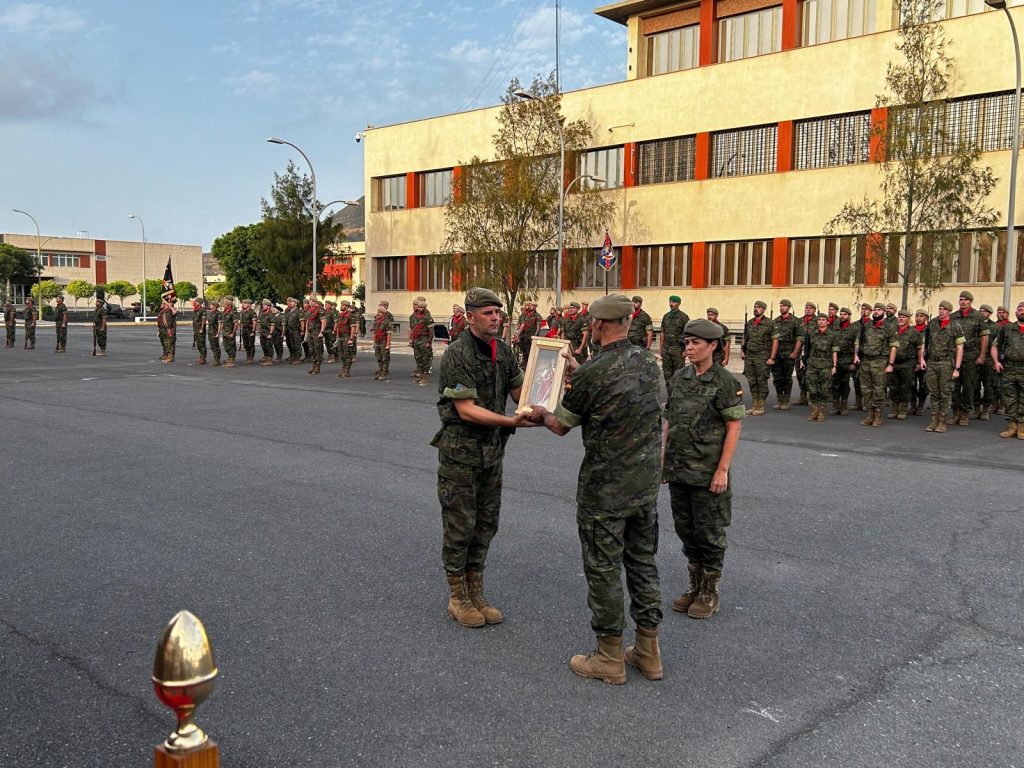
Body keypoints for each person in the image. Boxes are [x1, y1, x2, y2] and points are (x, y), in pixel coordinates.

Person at [532, 294, 664, 685]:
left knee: (604, 568)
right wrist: (581, 369)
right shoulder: (648, 363)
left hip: (605, 489)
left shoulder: (595, 372)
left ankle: (609, 656)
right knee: (643, 564)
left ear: (597, 325)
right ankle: (648, 651)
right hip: (644, 487)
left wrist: (539, 411)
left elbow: (561, 424)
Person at [431, 287, 533, 630]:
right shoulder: (458, 354)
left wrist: (544, 393)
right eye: (488, 313)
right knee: (461, 524)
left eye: (497, 313)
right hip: (461, 453)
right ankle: (457, 595)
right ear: (470, 316)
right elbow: (467, 411)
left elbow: (519, 390)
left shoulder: (502, 351)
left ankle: (476, 590)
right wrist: (511, 421)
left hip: (492, 453)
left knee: (487, 523)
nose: (495, 318)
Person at [664, 318, 744, 622]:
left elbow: (733, 427)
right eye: (687, 342)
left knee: (709, 533)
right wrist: (663, 461)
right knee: (687, 531)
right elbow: (668, 422)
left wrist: (722, 469)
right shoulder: (679, 379)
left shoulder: (725, 382)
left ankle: (710, 592)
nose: (689, 348)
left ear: (713, 346)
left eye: (696, 343)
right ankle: (695, 587)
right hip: (680, 470)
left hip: (708, 472)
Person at [922, 300, 965, 433]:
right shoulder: (932, 323)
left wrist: (957, 368)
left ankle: (942, 421)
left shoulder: (955, 326)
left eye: (944, 309)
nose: (941, 311)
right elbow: (925, 341)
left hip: (947, 363)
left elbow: (960, 348)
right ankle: (934, 420)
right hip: (932, 362)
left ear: (949, 311)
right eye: (940, 308)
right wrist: (922, 359)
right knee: (934, 392)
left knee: (945, 393)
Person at [949, 290, 988, 426]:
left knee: (968, 385)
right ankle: (956, 413)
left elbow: (984, 337)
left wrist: (982, 356)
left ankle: (965, 414)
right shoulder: (953, 316)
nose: (963, 302)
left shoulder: (978, 316)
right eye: (961, 299)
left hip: (970, 355)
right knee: (954, 385)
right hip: (954, 355)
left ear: (971, 302)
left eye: (965, 300)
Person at [855, 303, 896, 427]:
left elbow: (893, 346)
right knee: (866, 389)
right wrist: (856, 355)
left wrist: (891, 364)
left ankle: (877, 415)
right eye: (875, 310)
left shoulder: (889, 327)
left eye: (879, 310)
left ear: (884, 312)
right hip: (866, 361)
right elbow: (858, 342)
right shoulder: (866, 326)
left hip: (880, 361)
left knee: (878, 389)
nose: (876, 312)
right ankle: (869, 414)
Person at [992, 300, 1024, 439]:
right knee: (1009, 398)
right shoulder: (1007, 329)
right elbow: (994, 346)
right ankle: (1012, 426)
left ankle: (1022, 427)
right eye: (1020, 309)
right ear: (1016, 312)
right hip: (1009, 368)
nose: (1022, 311)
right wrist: (996, 362)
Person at [800, 313, 838, 422]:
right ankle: (814, 410)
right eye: (819, 320)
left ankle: (822, 411)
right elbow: (806, 349)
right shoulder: (812, 334)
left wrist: (834, 365)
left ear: (827, 322)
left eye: (823, 320)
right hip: (812, 363)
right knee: (812, 388)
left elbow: (834, 351)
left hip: (826, 364)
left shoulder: (832, 335)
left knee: (824, 389)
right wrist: (803, 361)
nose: (821, 321)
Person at [887, 309, 924, 420]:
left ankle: (903, 409)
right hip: (894, 363)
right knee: (893, 386)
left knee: (906, 387)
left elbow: (919, 348)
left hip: (908, 363)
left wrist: (919, 361)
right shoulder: (892, 330)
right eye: (900, 317)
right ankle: (895, 409)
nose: (901, 319)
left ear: (908, 319)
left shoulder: (914, 332)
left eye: (903, 317)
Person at [767, 299, 801, 410]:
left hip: (788, 354)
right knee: (777, 378)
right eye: (780, 306)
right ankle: (780, 399)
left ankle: (786, 400)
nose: (782, 308)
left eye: (784, 306)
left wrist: (795, 352)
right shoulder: (775, 321)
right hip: (777, 354)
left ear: (789, 307)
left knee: (787, 377)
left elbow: (799, 338)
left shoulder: (795, 321)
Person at [741, 300, 771, 415]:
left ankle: (761, 405)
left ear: (763, 309)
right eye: (755, 306)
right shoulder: (749, 323)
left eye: (758, 307)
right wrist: (742, 351)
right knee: (751, 380)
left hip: (762, 356)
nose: (756, 308)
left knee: (761, 380)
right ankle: (754, 404)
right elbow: (745, 337)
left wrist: (771, 357)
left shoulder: (769, 323)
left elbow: (775, 340)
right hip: (750, 355)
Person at [831, 307, 858, 415]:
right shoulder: (834, 328)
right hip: (836, 359)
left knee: (845, 384)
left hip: (847, 360)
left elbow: (856, 346)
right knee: (834, 383)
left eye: (845, 314)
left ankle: (844, 406)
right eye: (841, 314)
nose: (842, 316)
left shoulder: (854, 329)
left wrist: (854, 362)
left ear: (849, 316)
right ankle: (835, 406)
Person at [976, 304, 998, 420]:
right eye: (980, 311)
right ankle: (975, 409)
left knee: (988, 385)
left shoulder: (995, 327)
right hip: (975, 356)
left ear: (989, 313)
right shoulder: (976, 324)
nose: (982, 313)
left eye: (984, 311)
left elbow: (998, 345)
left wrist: (996, 361)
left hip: (989, 358)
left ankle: (985, 410)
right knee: (974, 384)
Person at [660, 295, 689, 382]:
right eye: (670, 302)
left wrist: (686, 350)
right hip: (666, 349)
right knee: (667, 374)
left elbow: (688, 334)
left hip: (678, 350)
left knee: (679, 374)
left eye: (673, 302)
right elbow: (662, 333)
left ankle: (677, 395)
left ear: (679, 304)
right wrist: (661, 348)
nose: (671, 304)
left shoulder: (684, 317)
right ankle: (670, 394)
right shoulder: (666, 316)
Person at [795, 302, 817, 405]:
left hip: (812, 352)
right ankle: (803, 397)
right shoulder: (799, 321)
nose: (808, 310)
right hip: (799, 352)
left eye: (810, 308)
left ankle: (812, 398)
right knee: (800, 374)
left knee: (811, 376)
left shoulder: (818, 321)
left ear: (814, 310)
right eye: (806, 308)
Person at [409, 297, 434, 385]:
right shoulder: (414, 316)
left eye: (421, 307)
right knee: (418, 358)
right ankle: (420, 375)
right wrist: (411, 339)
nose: (419, 309)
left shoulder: (427, 317)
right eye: (418, 307)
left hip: (424, 339)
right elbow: (412, 329)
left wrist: (429, 342)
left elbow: (431, 331)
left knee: (425, 359)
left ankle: (425, 377)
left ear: (425, 308)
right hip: (416, 340)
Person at [910, 310, 930, 415]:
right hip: (912, 360)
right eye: (917, 316)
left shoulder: (929, 330)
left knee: (924, 385)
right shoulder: (911, 330)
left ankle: (920, 405)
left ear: (926, 318)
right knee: (911, 384)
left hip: (925, 361)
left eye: (921, 316)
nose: (918, 318)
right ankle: (913, 405)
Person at [335, 299, 358, 378]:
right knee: (341, 354)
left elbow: (353, 328)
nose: (342, 306)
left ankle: (347, 370)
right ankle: (343, 368)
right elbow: (338, 326)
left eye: (344, 305)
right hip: (340, 336)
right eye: (342, 305)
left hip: (347, 336)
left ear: (347, 307)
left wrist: (351, 339)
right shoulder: (340, 315)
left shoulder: (351, 316)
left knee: (347, 354)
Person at [372, 301, 393, 381]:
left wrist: (388, 344)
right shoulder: (377, 321)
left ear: (384, 314)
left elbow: (389, 334)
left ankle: (384, 373)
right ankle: (380, 372)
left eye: (380, 312)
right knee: (378, 358)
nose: (378, 314)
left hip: (383, 342)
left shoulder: (386, 322)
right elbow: (374, 332)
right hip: (377, 341)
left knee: (384, 358)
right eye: (378, 312)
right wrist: (374, 342)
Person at [306, 299, 327, 375]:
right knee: (311, 350)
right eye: (310, 302)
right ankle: (313, 366)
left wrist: (321, 332)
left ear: (316, 302)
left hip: (317, 332)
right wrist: (306, 333)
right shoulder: (309, 311)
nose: (311, 303)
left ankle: (317, 367)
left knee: (317, 350)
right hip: (310, 332)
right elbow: (308, 322)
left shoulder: (320, 311)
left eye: (313, 301)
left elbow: (324, 321)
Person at [239, 298, 258, 365]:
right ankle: (248, 356)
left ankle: (251, 358)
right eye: (243, 303)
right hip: (244, 330)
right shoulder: (243, 312)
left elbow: (254, 323)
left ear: (249, 305)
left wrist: (253, 331)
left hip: (250, 330)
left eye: (245, 303)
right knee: (246, 344)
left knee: (251, 344)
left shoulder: (252, 312)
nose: (243, 304)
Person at [221, 297, 239, 368]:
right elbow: (223, 322)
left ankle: (232, 360)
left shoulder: (232, 313)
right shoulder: (225, 312)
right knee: (226, 346)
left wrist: (233, 333)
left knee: (231, 346)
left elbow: (236, 323)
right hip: (225, 332)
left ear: (229, 305)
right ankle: (229, 358)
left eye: (225, 304)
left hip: (230, 332)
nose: (224, 305)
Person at [157, 297, 176, 363]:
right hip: (163, 329)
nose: (164, 305)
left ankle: (171, 357)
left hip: (170, 330)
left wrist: (170, 306)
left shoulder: (171, 311)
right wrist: (159, 330)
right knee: (165, 343)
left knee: (170, 343)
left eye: (165, 304)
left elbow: (175, 312)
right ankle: (166, 355)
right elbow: (160, 321)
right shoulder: (163, 312)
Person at [258, 299, 276, 366]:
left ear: (268, 306)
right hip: (263, 332)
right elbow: (259, 323)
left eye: (265, 305)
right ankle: (266, 356)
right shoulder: (262, 313)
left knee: (269, 346)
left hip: (268, 332)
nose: (263, 306)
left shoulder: (271, 314)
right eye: (263, 305)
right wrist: (260, 330)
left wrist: (270, 334)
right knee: (263, 345)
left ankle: (270, 358)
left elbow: (273, 325)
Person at [284, 297, 303, 364]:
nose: (290, 303)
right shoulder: (290, 311)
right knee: (292, 344)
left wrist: (302, 330)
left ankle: (298, 357)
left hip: (296, 330)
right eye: (290, 302)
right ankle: (294, 356)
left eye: (292, 302)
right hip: (290, 330)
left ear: (295, 303)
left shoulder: (298, 311)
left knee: (297, 344)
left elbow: (301, 321)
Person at [191, 298, 208, 365]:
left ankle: (203, 359)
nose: (195, 303)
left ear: (199, 303)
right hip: (196, 329)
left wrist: (201, 328)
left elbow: (203, 320)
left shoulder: (203, 310)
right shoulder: (196, 310)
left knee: (202, 344)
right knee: (198, 344)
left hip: (200, 329)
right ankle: (201, 357)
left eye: (196, 302)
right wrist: (194, 330)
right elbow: (194, 321)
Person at [206, 299, 221, 366]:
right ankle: (216, 359)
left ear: (215, 306)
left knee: (215, 346)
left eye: (211, 305)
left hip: (215, 331)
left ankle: (217, 360)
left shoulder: (218, 314)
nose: (210, 306)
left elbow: (220, 324)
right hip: (210, 331)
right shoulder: (210, 313)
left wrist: (218, 333)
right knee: (212, 346)